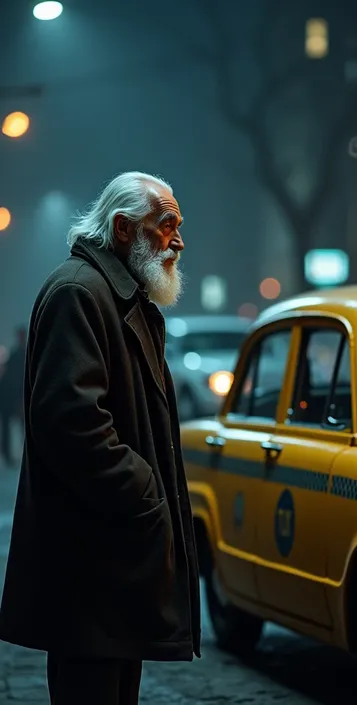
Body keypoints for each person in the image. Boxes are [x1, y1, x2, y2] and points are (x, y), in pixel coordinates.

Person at [0, 172, 201, 705]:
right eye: (166, 226)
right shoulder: (80, 292)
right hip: (91, 565)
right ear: (121, 228)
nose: (178, 241)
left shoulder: (115, 297)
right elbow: (71, 422)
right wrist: (145, 493)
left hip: (111, 560)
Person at [0, 326, 27, 467]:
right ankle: (8, 455)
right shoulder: (16, 354)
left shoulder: (24, 354)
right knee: (12, 427)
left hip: (19, 396)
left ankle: (20, 455)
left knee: (24, 427)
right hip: (11, 397)